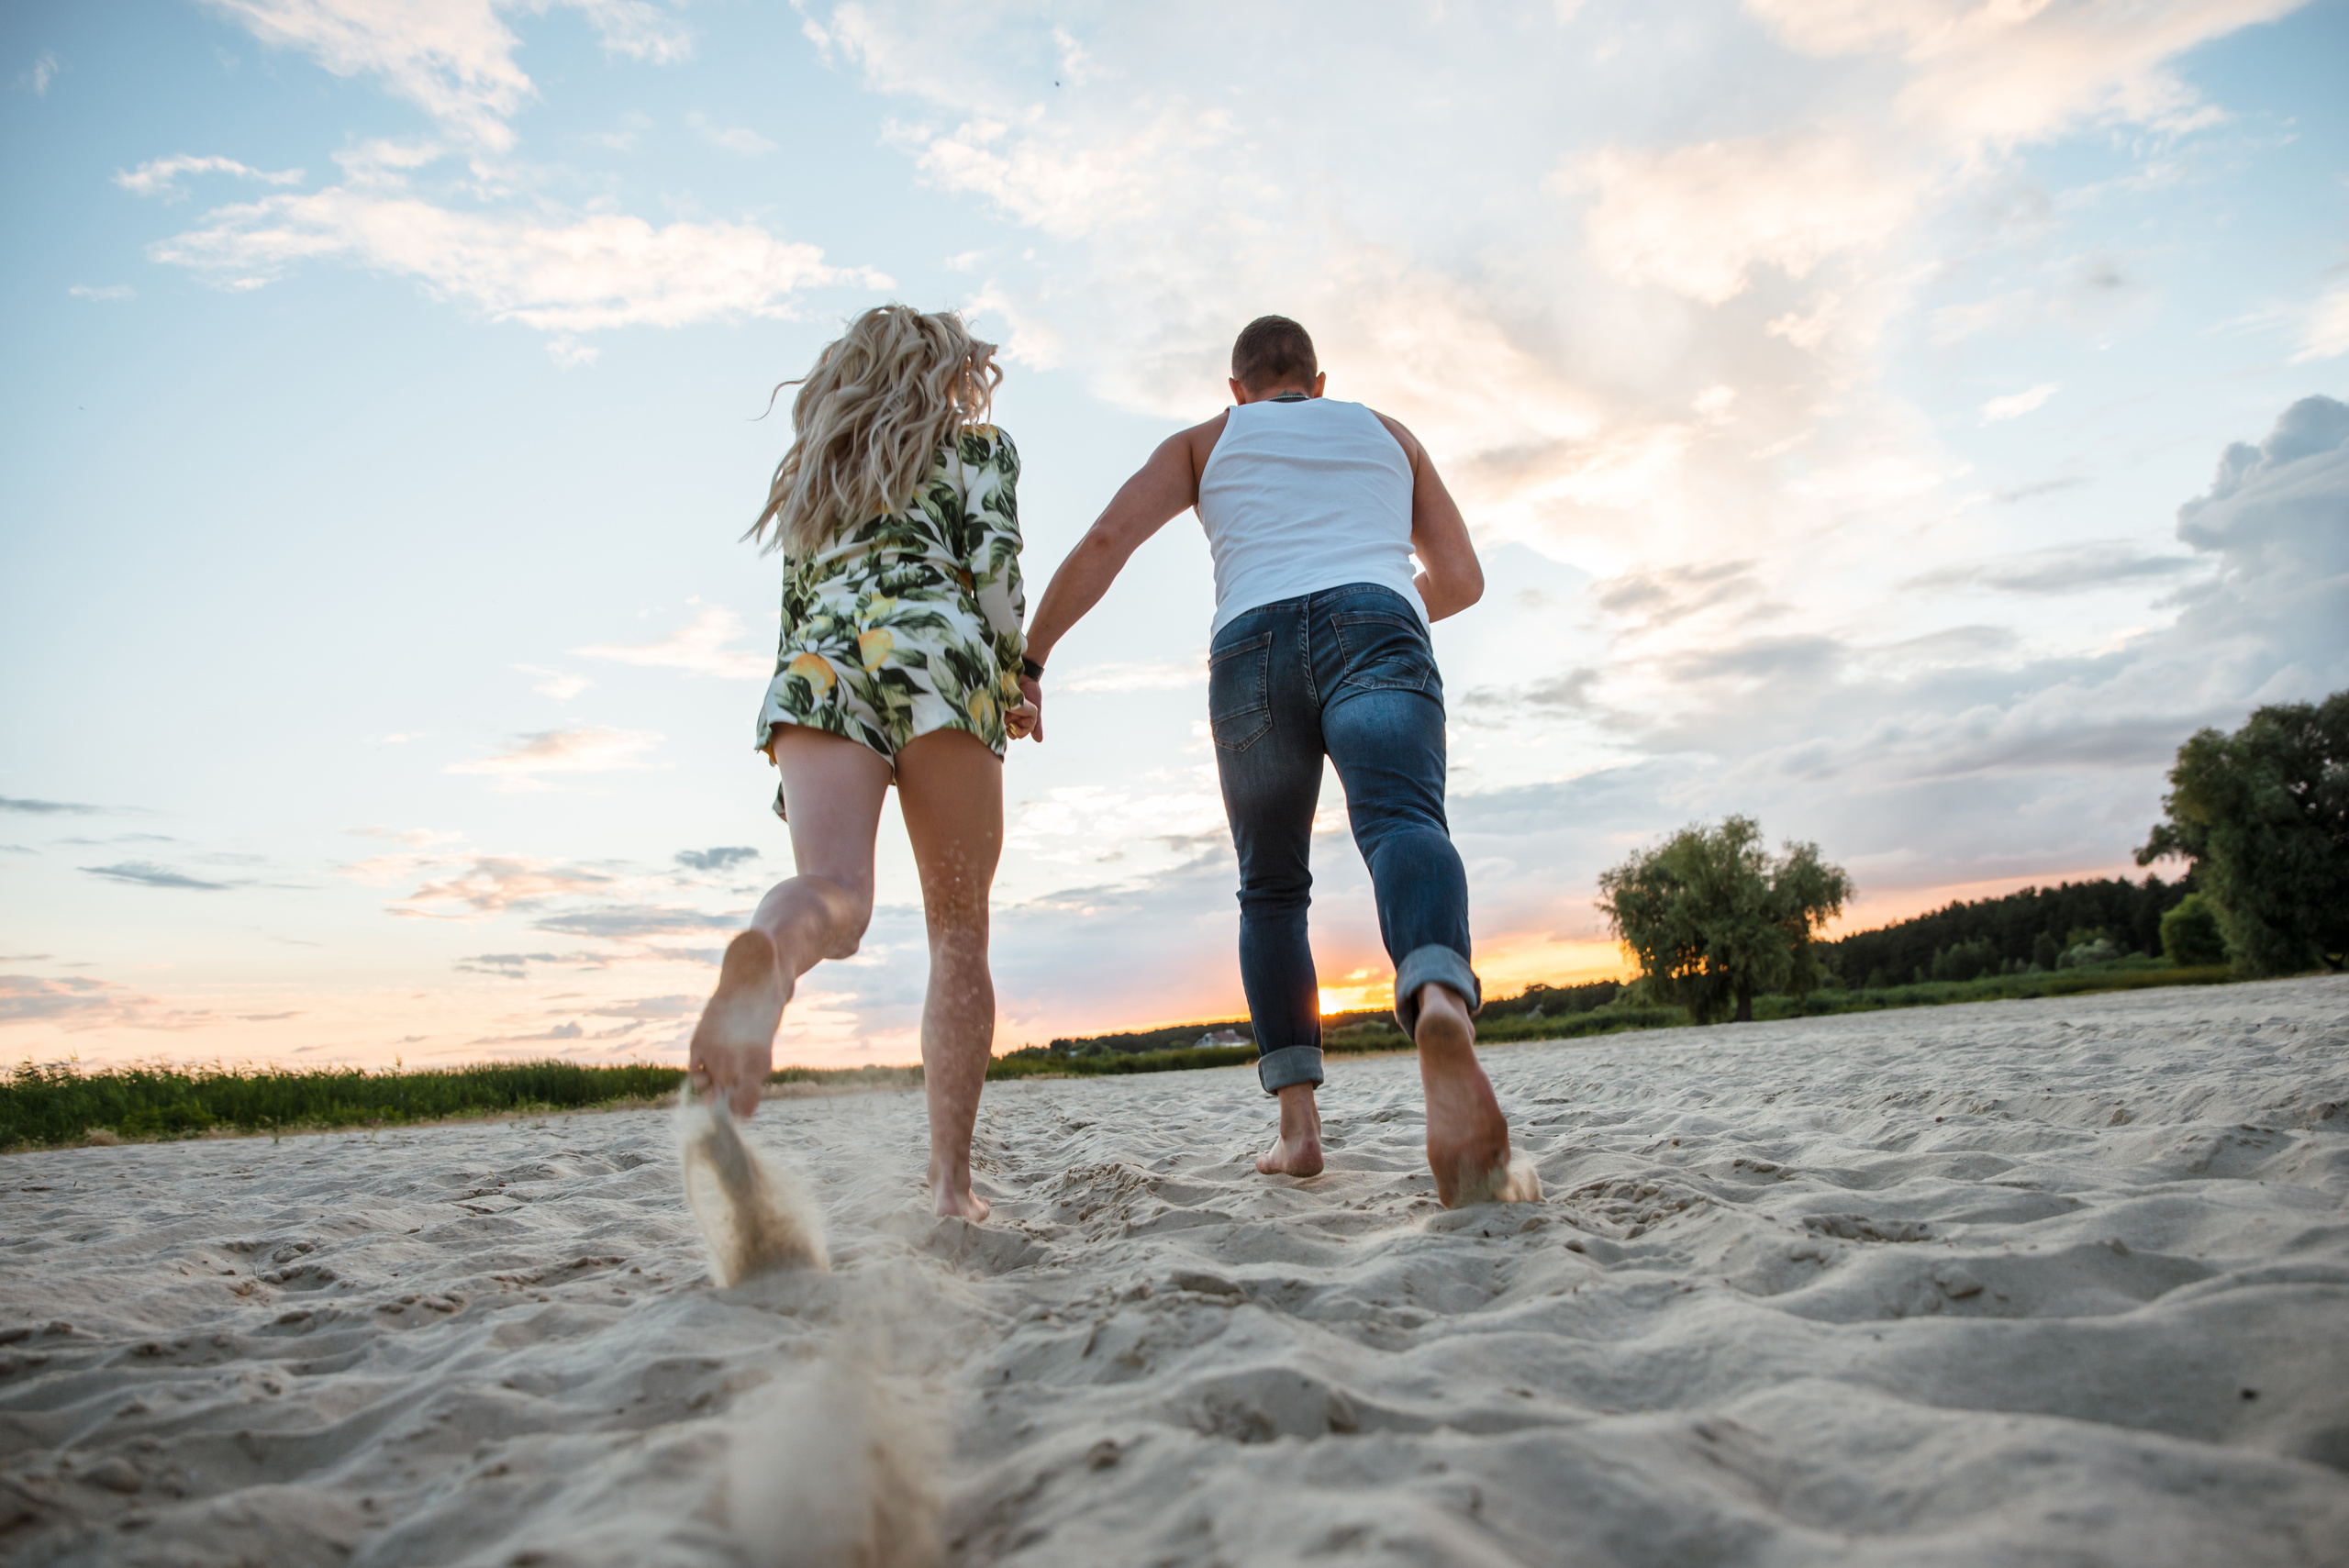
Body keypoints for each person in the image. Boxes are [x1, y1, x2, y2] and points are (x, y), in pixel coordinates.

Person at [1016, 315, 1538, 1208]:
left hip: (1248, 647)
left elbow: (1106, 541)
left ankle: (1297, 1133)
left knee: (1271, 888)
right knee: (1404, 822)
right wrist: (1383, 603)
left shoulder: (1202, 442)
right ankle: (1438, 992)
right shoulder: (1387, 432)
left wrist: (1030, 660)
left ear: (1236, 389)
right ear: (1319, 381)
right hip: (1376, 618)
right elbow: (1461, 577)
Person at [688, 305, 1035, 1223]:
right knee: (957, 928)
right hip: (935, 651)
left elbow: (794, 612)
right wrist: (1013, 675)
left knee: (834, 890)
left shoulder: (816, 474)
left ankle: (772, 956)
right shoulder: (976, 449)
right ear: (942, 374)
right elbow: (996, 579)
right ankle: (950, 1185)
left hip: (817, 668)